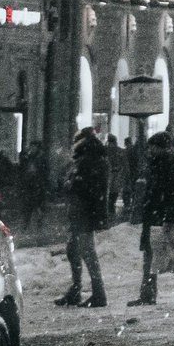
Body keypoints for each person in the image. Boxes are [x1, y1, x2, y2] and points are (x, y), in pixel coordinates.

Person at [130, 127, 174, 305]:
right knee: (151, 255)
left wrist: (169, 218)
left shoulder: (169, 166)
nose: (149, 151)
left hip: (160, 217)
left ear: (161, 147)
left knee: (155, 256)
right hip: (156, 215)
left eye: (152, 147)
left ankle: (148, 293)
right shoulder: (160, 164)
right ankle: (147, 293)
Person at [58, 125, 111, 308]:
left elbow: (80, 186)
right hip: (83, 211)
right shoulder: (93, 158)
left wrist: (68, 184)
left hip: (83, 212)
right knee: (74, 249)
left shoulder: (87, 161)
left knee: (87, 252)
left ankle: (98, 293)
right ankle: (77, 290)